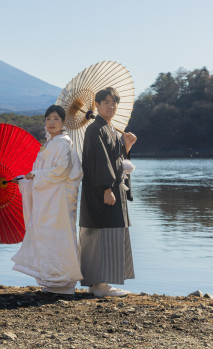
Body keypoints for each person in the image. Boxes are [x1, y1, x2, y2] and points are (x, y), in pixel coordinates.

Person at [11, 104, 83, 295]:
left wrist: (35, 175)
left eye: (56, 119)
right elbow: (45, 172)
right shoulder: (52, 143)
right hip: (49, 199)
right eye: (48, 119)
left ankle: (63, 281)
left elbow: (61, 171)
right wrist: (25, 180)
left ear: (63, 122)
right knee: (49, 237)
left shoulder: (63, 143)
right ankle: (53, 280)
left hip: (57, 200)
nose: (51, 122)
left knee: (59, 237)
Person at [79, 86, 138, 298]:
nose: (111, 106)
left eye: (114, 103)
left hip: (111, 190)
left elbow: (117, 161)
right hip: (101, 192)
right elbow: (99, 163)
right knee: (101, 234)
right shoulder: (95, 129)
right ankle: (101, 286)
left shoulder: (110, 129)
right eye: (106, 102)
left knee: (105, 234)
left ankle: (97, 284)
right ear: (97, 105)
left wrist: (126, 147)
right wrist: (105, 189)